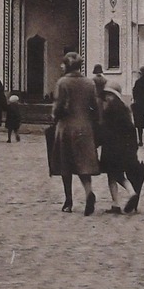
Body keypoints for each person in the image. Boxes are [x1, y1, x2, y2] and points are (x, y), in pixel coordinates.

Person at [50, 52, 100, 214]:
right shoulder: (89, 83)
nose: (61, 66)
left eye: (63, 64)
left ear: (68, 65)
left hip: (66, 127)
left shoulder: (63, 82)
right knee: (83, 164)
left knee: (66, 164)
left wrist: (54, 117)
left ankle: (68, 201)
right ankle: (88, 192)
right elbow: (95, 107)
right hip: (85, 128)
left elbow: (58, 106)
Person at [96, 80, 144, 214]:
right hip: (125, 148)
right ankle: (115, 204)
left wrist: (97, 142)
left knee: (114, 175)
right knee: (114, 175)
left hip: (111, 149)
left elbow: (104, 130)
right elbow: (130, 129)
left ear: (113, 96)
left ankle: (129, 194)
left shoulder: (109, 111)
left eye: (109, 95)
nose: (107, 97)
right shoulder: (125, 109)